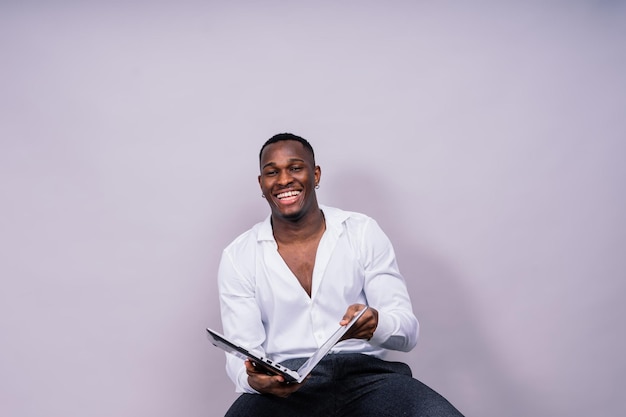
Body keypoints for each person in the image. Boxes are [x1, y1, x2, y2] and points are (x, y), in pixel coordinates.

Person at [217, 133, 464, 416]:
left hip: (368, 378)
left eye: (296, 168)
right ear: (262, 184)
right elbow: (243, 352)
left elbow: (407, 332)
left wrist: (375, 324)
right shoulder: (238, 256)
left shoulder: (361, 231)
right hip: (288, 389)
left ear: (316, 174)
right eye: (272, 172)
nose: (284, 180)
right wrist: (252, 379)